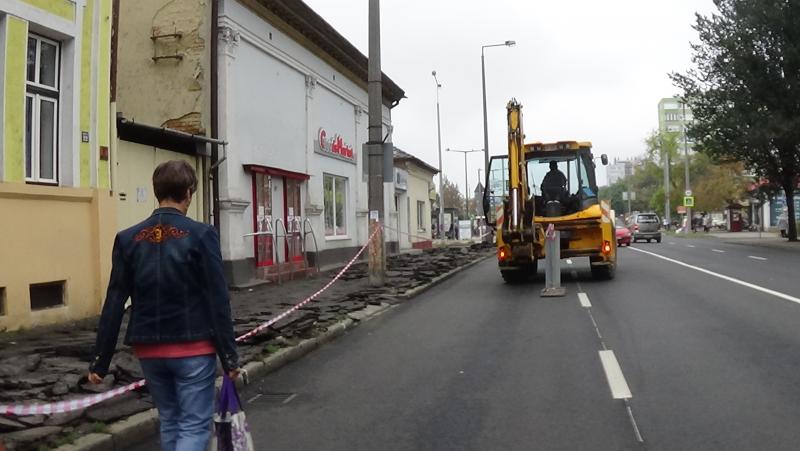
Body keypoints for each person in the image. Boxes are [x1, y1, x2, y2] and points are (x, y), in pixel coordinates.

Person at [88, 161, 239, 451]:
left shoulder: (127, 238)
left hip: (148, 349)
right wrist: (230, 357)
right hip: (193, 345)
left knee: (170, 419)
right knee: (194, 425)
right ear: (188, 191)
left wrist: (100, 362)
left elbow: (115, 300)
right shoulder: (202, 234)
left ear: (158, 192)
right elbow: (217, 299)